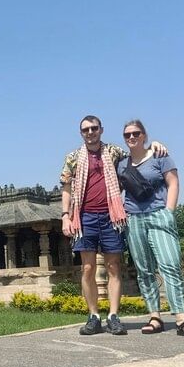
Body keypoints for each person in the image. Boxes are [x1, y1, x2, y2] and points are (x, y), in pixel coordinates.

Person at [60, 115, 166, 336]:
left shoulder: (114, 152)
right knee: (87, 268)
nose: (90, 132)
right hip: (84, 216)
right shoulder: (73, 157)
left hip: (111, 215)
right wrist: (65, 216)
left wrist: (153, 145)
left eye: (94, 128)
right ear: (81, 133)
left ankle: (113, 316)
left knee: (114, 267)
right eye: (86, 130)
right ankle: (93, 316)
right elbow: (66, 187)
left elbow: (137, 157)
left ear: (101, 129)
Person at [117, 119, 184, 337]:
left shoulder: (160, 156)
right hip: (134, 218)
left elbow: (173, 183)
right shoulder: (121, 163)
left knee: (170, 264)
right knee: (144, 270)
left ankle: (182, 318)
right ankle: (155, 316)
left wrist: (169, 211)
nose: (131, 137)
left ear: (144, 135)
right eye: (127, 135)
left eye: (136, 133)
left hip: (159, 214)